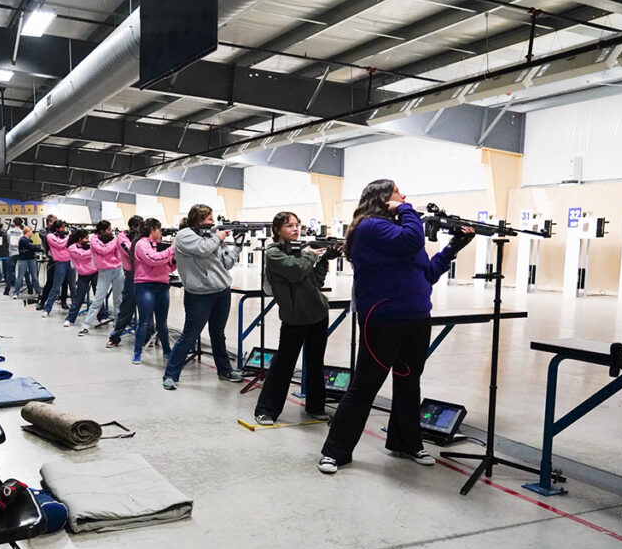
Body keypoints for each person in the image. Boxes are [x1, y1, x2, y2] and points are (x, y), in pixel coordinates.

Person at [318, 179, 476, 475]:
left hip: (416, 317)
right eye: (397, 192)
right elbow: (412, 240)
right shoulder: (370, 227)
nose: (404, 196)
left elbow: (428, 272)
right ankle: (335, 451)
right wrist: (407, 210)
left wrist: (453, 248)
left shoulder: (399, 232)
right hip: (382, 318)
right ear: (382, 198)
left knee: (408, 383)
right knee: (364, 386)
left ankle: (405, 442)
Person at [254, 212, 340, 424]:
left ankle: (315, 406)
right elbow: (296, 271)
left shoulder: (301, 251)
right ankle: (266, 410)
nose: (295, 229)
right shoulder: (273, 253)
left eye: (297, 225)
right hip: (294, 317)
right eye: (289, 225)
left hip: (318, 313)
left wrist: (324, 261)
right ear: (277, 230)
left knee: (315, 363)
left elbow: (315, 281)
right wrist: (310, 255)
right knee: (283, 364)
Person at [162, 204, 243, 389]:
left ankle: (225, 371)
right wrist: (217, 236)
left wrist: (237, 246)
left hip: (222, 291)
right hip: (199, 295)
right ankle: (170, 375)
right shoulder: (184, 236)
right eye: (209, 219)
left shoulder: (212, 237)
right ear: (198, 220)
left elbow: (227, 263)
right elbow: (202, 249)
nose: (213, 222)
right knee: (189, 336)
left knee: (218, 334)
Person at [131, 218, 176, 365]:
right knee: (144, 321)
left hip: (162, 285)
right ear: (152, 229)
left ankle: (167, 350)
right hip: (145, 285)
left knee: (162, 322)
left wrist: (175, 258)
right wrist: (172, 249)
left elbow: (168, 267)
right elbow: (154, 260)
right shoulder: (141, 244)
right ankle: (137, 352)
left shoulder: (159, 245)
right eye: (159, 229)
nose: (161, 232)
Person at [105, 216, 147, 349]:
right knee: (126, 308)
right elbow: (132, 252)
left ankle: (148, 336)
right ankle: (115, 336)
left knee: (147, 308)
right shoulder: (123, 238)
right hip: (131, 276)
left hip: (145, 275)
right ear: (134, 227)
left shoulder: (142, 238)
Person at [79, 220, 125, 337]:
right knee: (98, 300)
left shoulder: (112, 239)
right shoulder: (94, 239)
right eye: (108, 230)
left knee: (118, 300)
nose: (110, 232)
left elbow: (117, 252)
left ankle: (117, 325)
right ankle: (86, 325)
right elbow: (103, 250)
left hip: (118, 270)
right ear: (102, 230)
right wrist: (114, 241)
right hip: (105, 272)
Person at [64, 229, 101, 328]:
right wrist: (93, 249)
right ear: (80, 239)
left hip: (95, 272)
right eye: (86, 238)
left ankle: (102, 316)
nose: (87, 240)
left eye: (88, 238)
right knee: (78, 297)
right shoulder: (72, 248)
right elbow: (83, 255)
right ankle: (70, 318)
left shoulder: (89, 246)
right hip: (83, 274)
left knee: (99, 296)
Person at [41, 219, 76, 317]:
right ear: (57, 228)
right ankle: (47, 309)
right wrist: (68, 237)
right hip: (60, 263)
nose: (64, 229)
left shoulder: (65, 236)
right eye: (62, 228)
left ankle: (74, 309)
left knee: (73, 287)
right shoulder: (50, 236)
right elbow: (60, 244)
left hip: (70, 261)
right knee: (55, 287)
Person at [14, 225, 40, 298]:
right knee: (20, 276)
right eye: (31, 231)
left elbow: (32, 247)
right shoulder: (23, 240)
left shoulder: (30, 240)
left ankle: (38, 292)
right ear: (28, 232)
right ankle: (16, 292)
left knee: (34, 277)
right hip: (23, 260)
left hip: (31, 259)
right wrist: (39, 248)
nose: (32, 232)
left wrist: (36, 247)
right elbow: (32, 247)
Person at [5, 217, 24, 296]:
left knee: (10, 272)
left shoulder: (9, 231)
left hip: (12, 253)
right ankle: (29, 289)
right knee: (23, 273)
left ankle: (7, 290)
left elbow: (8, 241)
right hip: (20, 253)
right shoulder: (22, 232)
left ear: (13, 223)